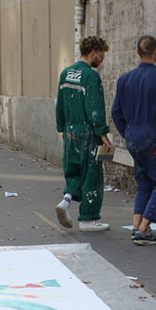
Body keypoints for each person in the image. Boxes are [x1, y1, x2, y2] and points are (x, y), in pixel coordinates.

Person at [111, 35, 156, 245]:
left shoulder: (124, 80)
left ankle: (137, 225)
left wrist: (128, 132)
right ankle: (144, 229)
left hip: (133, 135)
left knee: (143, 182)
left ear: (137, 52)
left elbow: (116, 112)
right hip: (153, 136)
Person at [54, 36, 113, 232]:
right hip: (87, 132)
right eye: (101, 55)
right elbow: (94, 108)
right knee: (91, 175)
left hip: (70, 131)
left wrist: (62, 127)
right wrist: (102, 132)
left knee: (74, 171)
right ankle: (88, 218)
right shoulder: (91, 76)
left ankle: (66, 201)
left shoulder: (65, 74)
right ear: (93, 52)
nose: (102, 60)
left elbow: (60, 105)